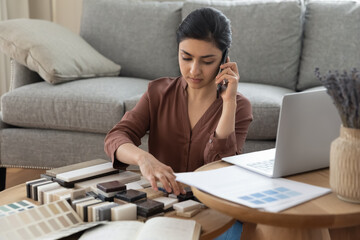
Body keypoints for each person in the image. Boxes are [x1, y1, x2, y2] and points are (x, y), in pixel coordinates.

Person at [104, 7, 252, 239]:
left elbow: (220, 168)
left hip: (214, 207)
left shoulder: (239, 106)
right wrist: (144, 159)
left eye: (207, 60)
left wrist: (229, 103)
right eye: (186, 57)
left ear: (224, 59)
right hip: (162, 204)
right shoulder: (158, 92)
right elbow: (117, 137)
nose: (194, 70)